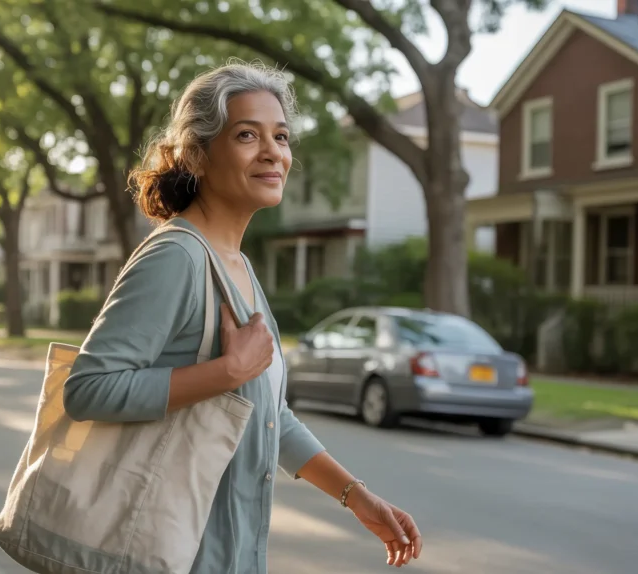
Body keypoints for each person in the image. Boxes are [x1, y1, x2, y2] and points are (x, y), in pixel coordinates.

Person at [62, 61, 422, 572]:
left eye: (281, 136)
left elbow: (269, 415)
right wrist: (225, 372)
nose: (273, 151)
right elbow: (87, 389)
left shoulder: (240, 268)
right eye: (248, 135)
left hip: (229, 554)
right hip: (169, 554)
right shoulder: (177, 257)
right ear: (197, 155)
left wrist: (357, 497)